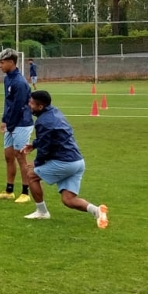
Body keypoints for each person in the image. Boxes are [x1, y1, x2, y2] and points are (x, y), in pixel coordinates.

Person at [22, 90, 108, 228]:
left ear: (40, 106)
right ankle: (98, 211)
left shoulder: (43, 121)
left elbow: (45, 148)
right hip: (78, 162)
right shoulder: (55, 112)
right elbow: (53, 137)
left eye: (32, 103)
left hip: (65, 162)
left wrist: (36, 163)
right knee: (68, 200)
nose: (29, 105)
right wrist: (34, 144)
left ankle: (42, 212)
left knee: (31, 176)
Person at [0, 50, 35, 204]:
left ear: (11, 62)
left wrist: (10, 124)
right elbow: (7, 102)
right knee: (8, 156)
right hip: (11, 123)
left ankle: (25, 192)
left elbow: (19, 107)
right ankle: (9, 191)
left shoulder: (19, 82)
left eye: (2, 63)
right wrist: (4, 120)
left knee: (20, 157)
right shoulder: (7, 79)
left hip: (21, 124)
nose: (0, 66)